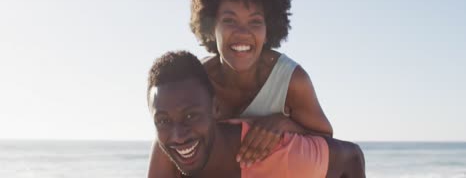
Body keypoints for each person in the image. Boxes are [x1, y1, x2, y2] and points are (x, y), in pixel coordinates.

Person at [148, 0, 333, 177]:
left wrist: (282, 124)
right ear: (211, 26)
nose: (242, 33)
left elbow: (327, 143)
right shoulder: (197, 80)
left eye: (255, 22)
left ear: (269, 28)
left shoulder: (292, 81)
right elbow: (170, 138)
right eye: (229, 20)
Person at [147, 51, 365, 178]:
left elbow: (351, 157)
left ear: (215, 108)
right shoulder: (168, 155)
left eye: (190, 116)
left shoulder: (276, 155)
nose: (177, 135)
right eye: (163, 121)